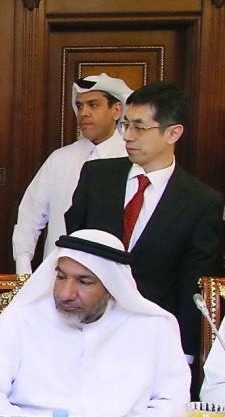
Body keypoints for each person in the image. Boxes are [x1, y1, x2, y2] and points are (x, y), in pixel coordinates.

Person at [0, 230, 189, 417]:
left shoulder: (154, 326)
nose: (66, 293)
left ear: (112, 289)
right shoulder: (23, 318)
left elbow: (173, 403)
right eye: (60, 277)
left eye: (84, 282)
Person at [64, 81, 223, 357]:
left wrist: (184, 353)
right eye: (126, 125)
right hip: (83, 331)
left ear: (173, 132)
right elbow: (73, 252)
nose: (127, 136)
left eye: (139, 127)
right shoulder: (97, 177)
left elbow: (191, 285)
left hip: (150, 340)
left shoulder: (201, 202)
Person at [12, 74, 132, 274]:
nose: (83, 112)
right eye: (80, 106)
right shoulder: (60, 159)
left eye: (93, 105)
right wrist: (24, 274)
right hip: (58, 279)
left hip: (115, 281)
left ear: (116, 110)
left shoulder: (133, 161)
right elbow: (29, 218)